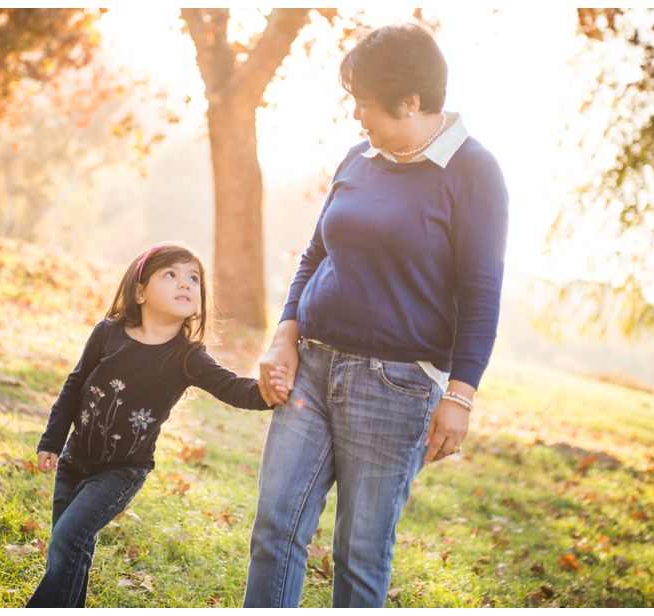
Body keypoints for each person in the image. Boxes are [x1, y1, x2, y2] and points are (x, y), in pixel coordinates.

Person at [244, 24, 509, 608]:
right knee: (275, 530)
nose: (357, 115)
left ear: (410, 102)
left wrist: (460, 396)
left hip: (397, 386)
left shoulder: (474, 172)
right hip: (311, 368)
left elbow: (483, 290)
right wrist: (285, 334)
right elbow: (316, 255)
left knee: (359, 554)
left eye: (364, 102)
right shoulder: (358, 156)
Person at [26, 242, 286, 608]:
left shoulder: (187, 357)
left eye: (193, 278)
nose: (185, 284)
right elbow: (76, 383)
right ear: (140, 290)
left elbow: (233, 387)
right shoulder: (108, 333)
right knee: (70, 547)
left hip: (121, 470)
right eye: (171, 274)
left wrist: (267, 393)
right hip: (73, 459)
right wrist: (52, 439)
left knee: (67, 538)